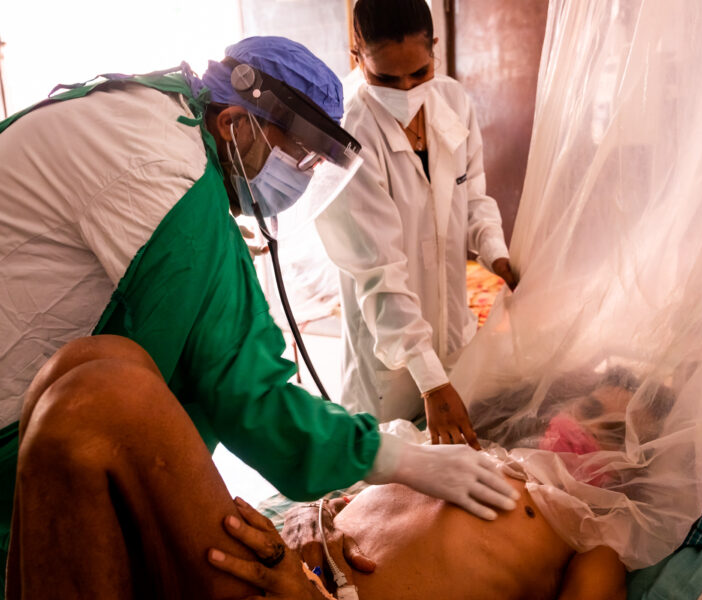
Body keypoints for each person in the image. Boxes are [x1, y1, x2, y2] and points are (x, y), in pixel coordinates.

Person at [0, 36, 519, 586]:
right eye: (298, 155)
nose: (301, 175)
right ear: (233, 123)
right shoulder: (162, 175)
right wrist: (406, 462)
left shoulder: (158, 121)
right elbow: (237, 385)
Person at [8, 334, 625, 599]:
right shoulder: (475, 456)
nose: (588, 432)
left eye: (615, 435)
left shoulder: (588, 546)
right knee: (88, 364)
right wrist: (322, 517)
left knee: (104, 397)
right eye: (591, 409)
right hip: (270, 563)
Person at [315, 0, 518, 447]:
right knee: (391, 479)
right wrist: (429, 380)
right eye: (386, 78)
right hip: (388, 353)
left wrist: (494, 252)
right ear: (357, 55)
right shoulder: (346, 131)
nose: (405, 89)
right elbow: (378, 272)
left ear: (435, 50)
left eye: (419, 73)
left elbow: (473, 193)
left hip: (452, 329)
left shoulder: (452, 101)